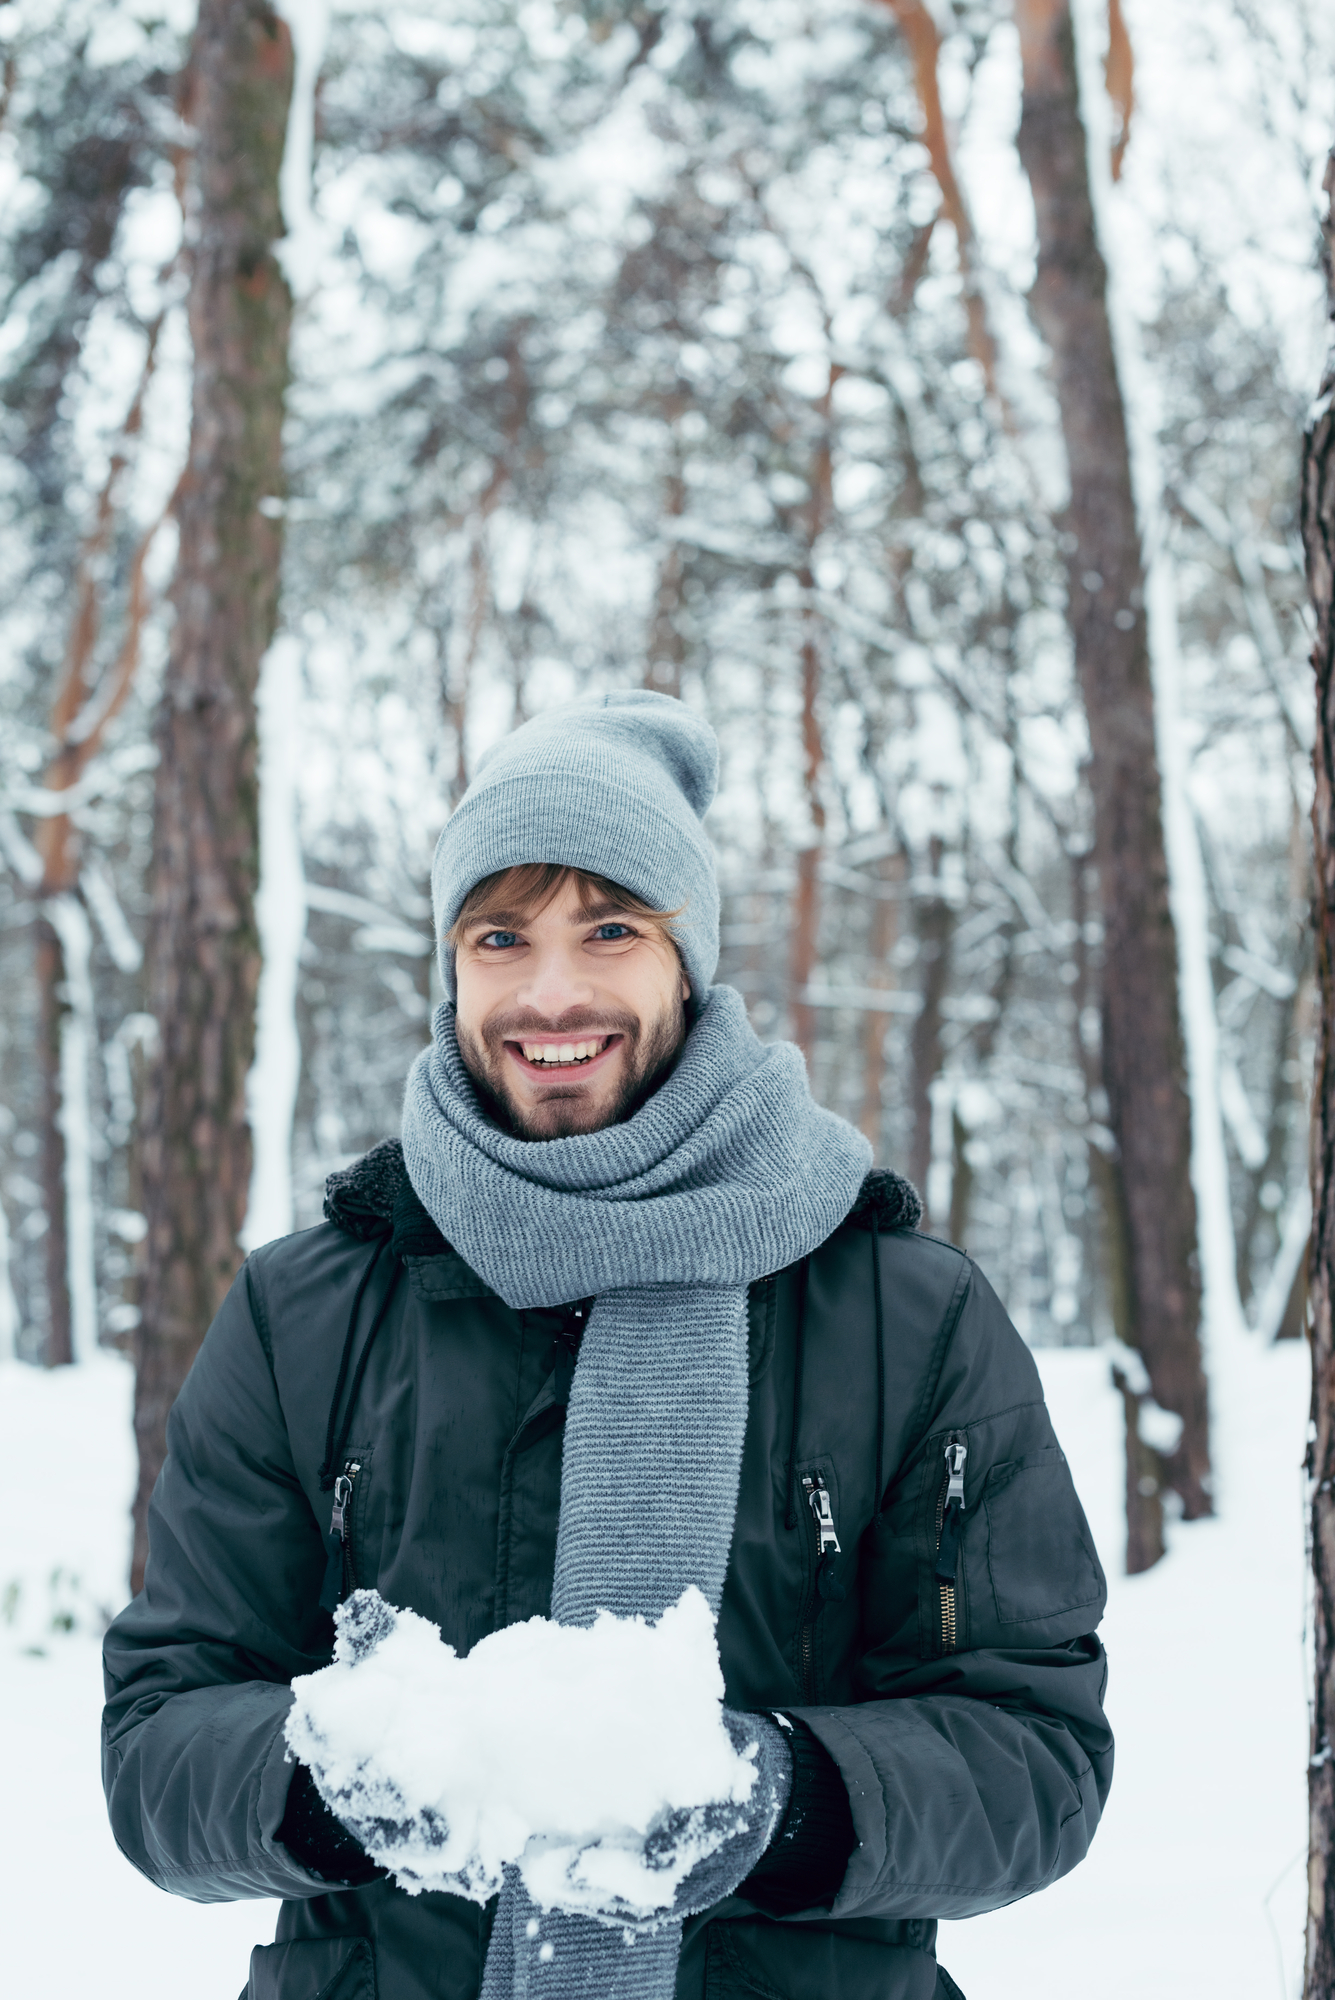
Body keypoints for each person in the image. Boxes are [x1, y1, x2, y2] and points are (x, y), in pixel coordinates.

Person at [102, 691, 1112, 2000]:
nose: (552, 992)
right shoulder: (307, 1316)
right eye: (501, 935)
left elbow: (1034, 1752)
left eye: (612, 928)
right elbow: (158, 1740)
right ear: (452, 964)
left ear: (685, 961)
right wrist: (333, 1788)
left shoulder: (901, 1315)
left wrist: (777, 1804)